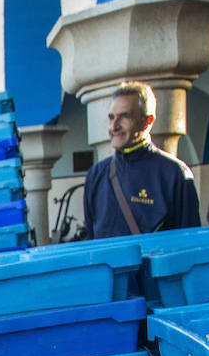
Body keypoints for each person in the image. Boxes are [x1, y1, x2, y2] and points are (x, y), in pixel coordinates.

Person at [83, 80, 200, 238]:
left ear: (147, 121)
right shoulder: (96, 175)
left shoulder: (175, 175)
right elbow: (92, 242)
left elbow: (189, 245)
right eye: (111, 118)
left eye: (124, 117)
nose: (114, 126)